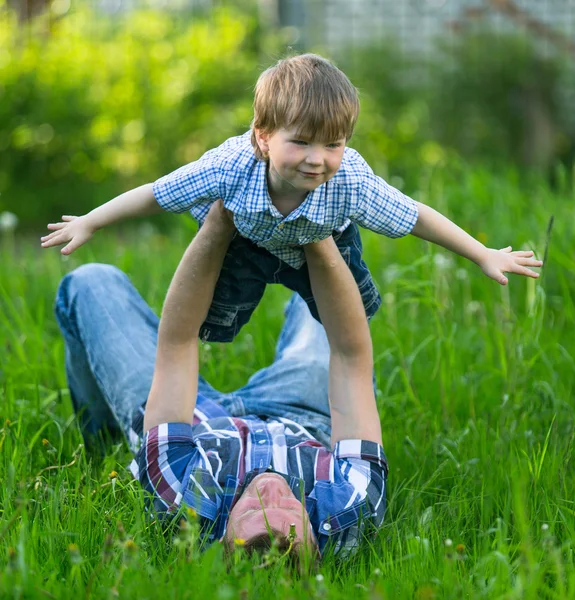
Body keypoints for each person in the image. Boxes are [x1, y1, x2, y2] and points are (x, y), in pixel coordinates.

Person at [43, 53, 543, 343]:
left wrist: (482, 254)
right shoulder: (229, 166)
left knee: (351, 317)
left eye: (333, 144)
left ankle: (329, 325)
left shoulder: (350, 181)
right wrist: (91, 220)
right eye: (300, 142)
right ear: (263, 136)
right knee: (212, 323)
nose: (316, 159)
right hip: (245, 239)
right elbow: (158, 193)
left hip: (326, 239)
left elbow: (415, 216)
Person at [55, 201, 386, 561]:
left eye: (253, 509)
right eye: (291, 511)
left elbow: (177, 342)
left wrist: (220, 219)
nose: (271, 489)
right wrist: (315, 229)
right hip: (301, 415)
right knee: (336, 304)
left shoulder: (180, 499)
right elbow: (350, 357)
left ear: (221, 534)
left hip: (192, 420)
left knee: (90, 283)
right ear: (315, 539)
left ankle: (100, 443)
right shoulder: (351, 508)